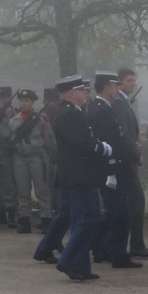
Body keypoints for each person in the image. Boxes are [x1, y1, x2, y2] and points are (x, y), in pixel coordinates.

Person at [38, 74, 111, 281]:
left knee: (83, 219)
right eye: (81, 90)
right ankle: (69, 260)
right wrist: (101, 148)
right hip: (79, 175)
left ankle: (80, 266)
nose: (85, 93)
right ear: (71, 93)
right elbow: (80, 143)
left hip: (81, 174)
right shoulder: (69, 114)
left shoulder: (73, 112)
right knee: (90, 218)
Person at [88, 71, 143, 268]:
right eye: (114, 86)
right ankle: (118, 254)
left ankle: (103, 250)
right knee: (119, 213)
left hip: (113, 167)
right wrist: (112, 170)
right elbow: (108, 142)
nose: (117, 90)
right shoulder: (101, 110)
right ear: (107, 88)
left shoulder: (102, 107)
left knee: (112, 212)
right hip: (111, 169)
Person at [113, 68, 148, 257]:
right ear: (119, 82)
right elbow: (124, 134)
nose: (133, 84)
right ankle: (136, 244)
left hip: (127, 158)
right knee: (136, 200)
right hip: (126, 161)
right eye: (129, 80)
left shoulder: (124, 102)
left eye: (133, 80)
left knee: (133, 201)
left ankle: (135, 244)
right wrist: (136, 154)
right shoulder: (119, 103)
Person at [9, 89, 55, 234]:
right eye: (22, 101)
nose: (24, 103)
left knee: (42, 190)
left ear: (32, 102)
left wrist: (49, 155)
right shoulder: (14, 121)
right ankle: (24, 220)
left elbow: (49, 139)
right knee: (23, 190)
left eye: (27, 101)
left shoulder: (41, 119)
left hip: (37, 158)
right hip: (20, 158)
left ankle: (46, 218)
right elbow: (12, 139)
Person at [0, 85, 18, 228]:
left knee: (7, 183)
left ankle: (11, 213)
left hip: (5, 150)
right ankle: (0, 212)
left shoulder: (10, 112)